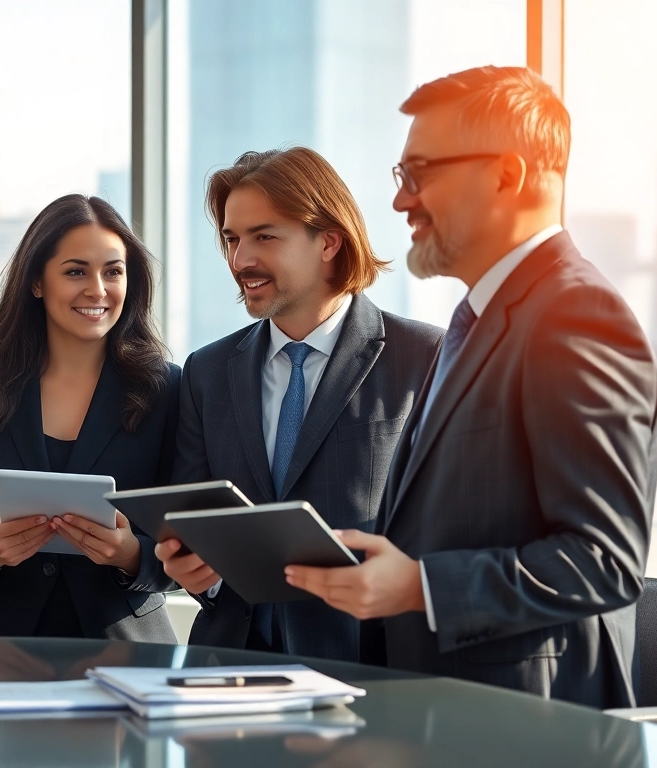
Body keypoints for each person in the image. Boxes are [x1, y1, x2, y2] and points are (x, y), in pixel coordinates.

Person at [285, 66, 657, 708]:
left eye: (420, 173)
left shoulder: (577, 314)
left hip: (526, 724)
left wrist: (421, 587)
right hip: (443, 708)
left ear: (507, 175)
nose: (401, 202)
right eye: (401, 176)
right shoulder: (474, 321)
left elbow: (604, 559)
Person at [153, 147, 443, 661]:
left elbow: (449, 529)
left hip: (367, 666)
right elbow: (194, 521)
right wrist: (198, 574)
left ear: (328, 241)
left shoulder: (425, 357)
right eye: (232, 239)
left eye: (264, 236)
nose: (240, 260)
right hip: (231, 670)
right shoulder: (207, 372)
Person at [0, 194, 180, 641]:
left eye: (113, 272)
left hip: (128, 653)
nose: (98, 289)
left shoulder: (167, 389)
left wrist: (129, 555)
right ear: (37, 282)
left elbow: (193, 553)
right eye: (76, 271)